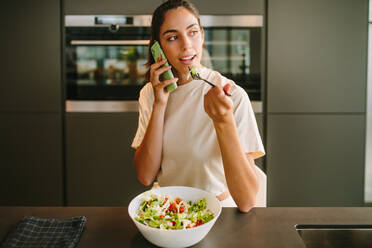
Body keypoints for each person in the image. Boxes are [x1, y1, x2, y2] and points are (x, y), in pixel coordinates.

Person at [131, 0, 265, 212]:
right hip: (170, 213)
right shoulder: (150, 94)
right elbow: (145, 176)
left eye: (192, 32)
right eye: (173, 37)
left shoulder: (233, 95)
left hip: (221, 214)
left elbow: (247, 201)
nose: (186, 45)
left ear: (202, 35)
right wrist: (160, 104)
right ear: (159, 47)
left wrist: (224, 120)